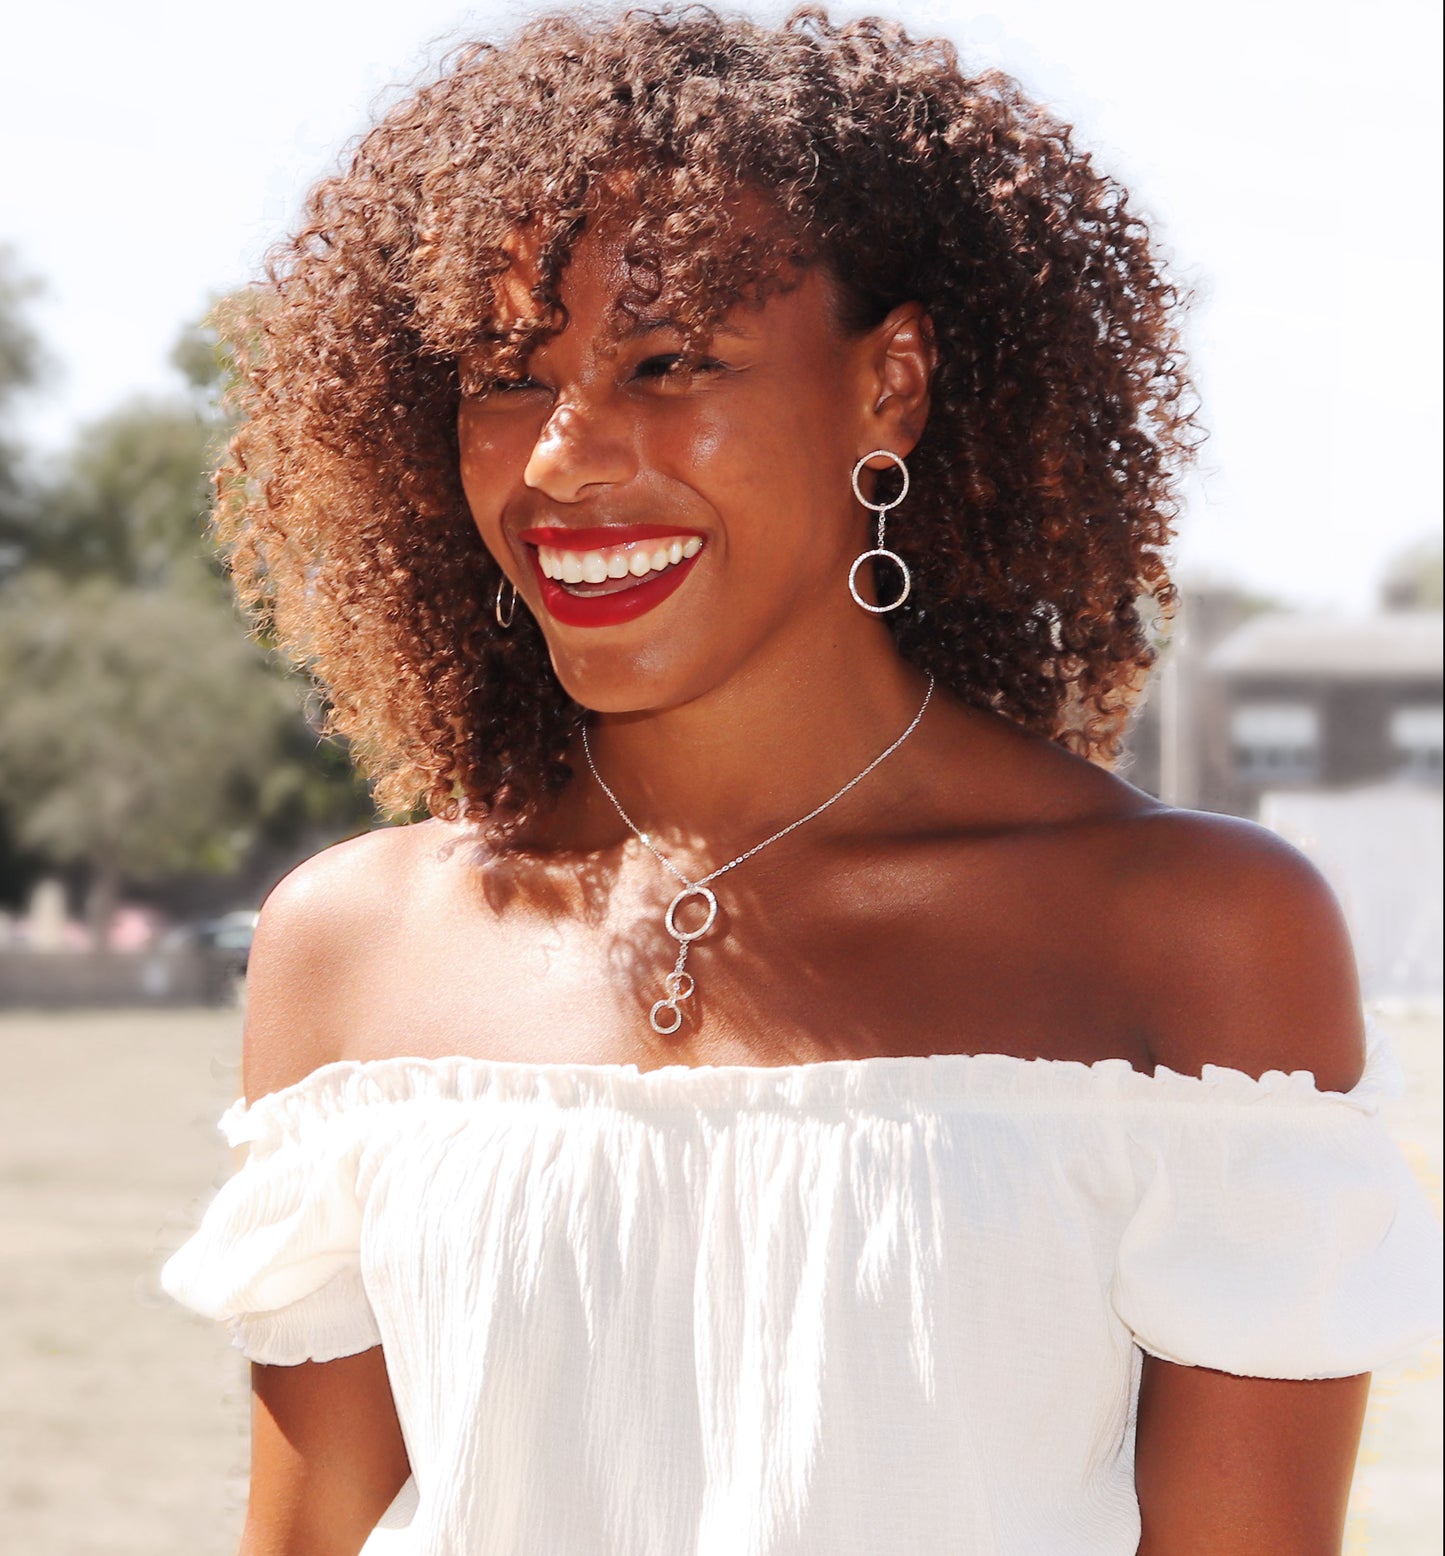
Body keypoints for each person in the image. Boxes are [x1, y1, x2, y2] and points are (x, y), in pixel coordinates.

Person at [161, 7, 1441, 1554]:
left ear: (889, 387)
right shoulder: (354, 949)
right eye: (505, 376)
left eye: (667, 358)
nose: (562, 459)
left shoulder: (1195, 933)